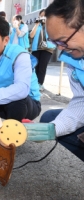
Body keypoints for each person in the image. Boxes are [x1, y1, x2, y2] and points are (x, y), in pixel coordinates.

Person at [39, 0, 84, 162]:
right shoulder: (75, 60)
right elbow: (81, 102)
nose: (60, 48)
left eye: (63, 41)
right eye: (55, 42)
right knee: (50, 119)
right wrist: (53, 129)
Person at [30, 9, 56, 92]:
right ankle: (34, 83)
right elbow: (31, 35)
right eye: (41, 15)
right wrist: (37, 23)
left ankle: (40, 84)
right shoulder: (38, 25)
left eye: (45, 15)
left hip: (47, 49)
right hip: (36, 48)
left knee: (42, 67)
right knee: (35, 66)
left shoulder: (51, 25)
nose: (43, 17)